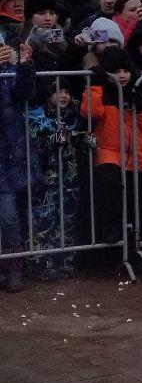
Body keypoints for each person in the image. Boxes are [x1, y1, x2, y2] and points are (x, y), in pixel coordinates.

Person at [80, 47, 142, 261]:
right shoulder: (102, 92)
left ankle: (135, 251)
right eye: (116, 71)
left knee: (138, 204)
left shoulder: (137, 92)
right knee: (109, 187)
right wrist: (96, 85)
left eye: (125, 70)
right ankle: (110, 233)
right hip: (109, 152)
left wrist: (141, 106)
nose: (122, 75)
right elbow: (90, 111)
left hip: (137, 156)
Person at [27, 78, 90, 279]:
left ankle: (66, 259)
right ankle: (42, 262)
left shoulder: (73, 115)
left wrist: (86, 140)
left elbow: (80, 140)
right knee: (44, 220)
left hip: (70, 177)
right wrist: (54, 139)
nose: (64, 96)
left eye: (67, 92)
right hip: (45, 179)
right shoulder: (34, 115)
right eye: (59, 91)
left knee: (68, 218)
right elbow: (35, 142)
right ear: (48, 94)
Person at [0, 29, 37, 291]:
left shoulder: (6, 75)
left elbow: (22, 92)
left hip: (7, 157)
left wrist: (25, 67)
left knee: (10, 218)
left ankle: (13, 268)